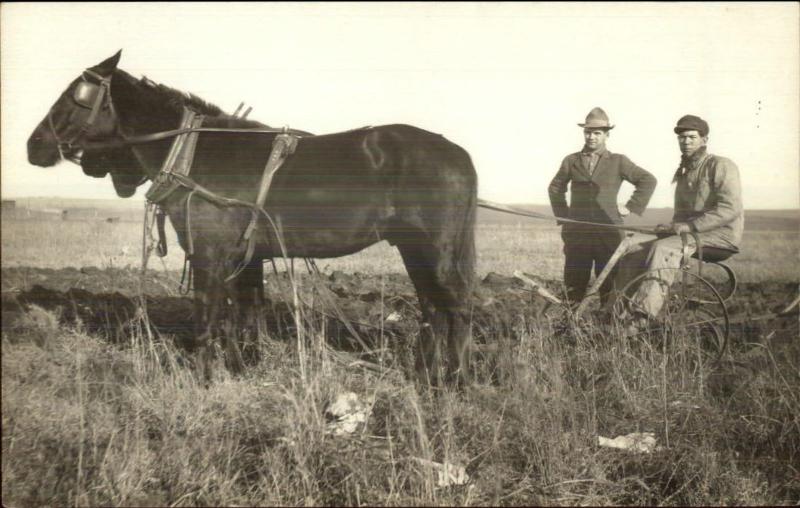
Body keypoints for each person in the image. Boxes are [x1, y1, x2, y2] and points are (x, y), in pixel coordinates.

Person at [611, 114, 743, 318]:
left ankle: (641, 316)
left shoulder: (721, 165)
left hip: (721, 236)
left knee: (663, 248)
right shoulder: (683, 172)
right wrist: (671, 227)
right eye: (682, 138)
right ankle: (617, 312)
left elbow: (730, 208)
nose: (686, 142)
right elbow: (682, 215)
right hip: (691, 234)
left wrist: (689, 227)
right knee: (632, 247)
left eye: (692, 137)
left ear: (704, 140)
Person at [549, 107, 657, 304]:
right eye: (588, 132)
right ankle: (570, 324)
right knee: (574, 282)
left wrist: (631, 206)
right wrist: (564, 216)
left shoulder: (618, 161)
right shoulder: (571, 160)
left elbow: (648, 180)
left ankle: (606, 327)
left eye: (597, 133)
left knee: (609, 283)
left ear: (607, 135)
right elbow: (555, 188)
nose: (591, 137)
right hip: (577, 233)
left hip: (609, 233)